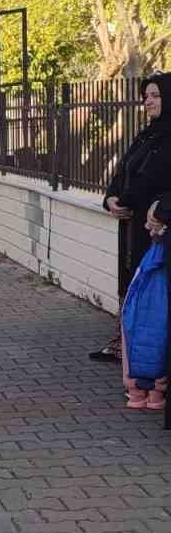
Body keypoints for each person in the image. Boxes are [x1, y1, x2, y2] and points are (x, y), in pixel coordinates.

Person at [92, 73, 171, 362]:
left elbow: (151, 178)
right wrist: (110, 199)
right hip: (131, 223)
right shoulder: (147, 134)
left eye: (155, 96)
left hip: (155, 228)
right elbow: (124, 170)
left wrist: (123, 200)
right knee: (130, 283)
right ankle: (126, 346)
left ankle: (143, 355)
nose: (147, 101)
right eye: (145, 96)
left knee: (149, 288)